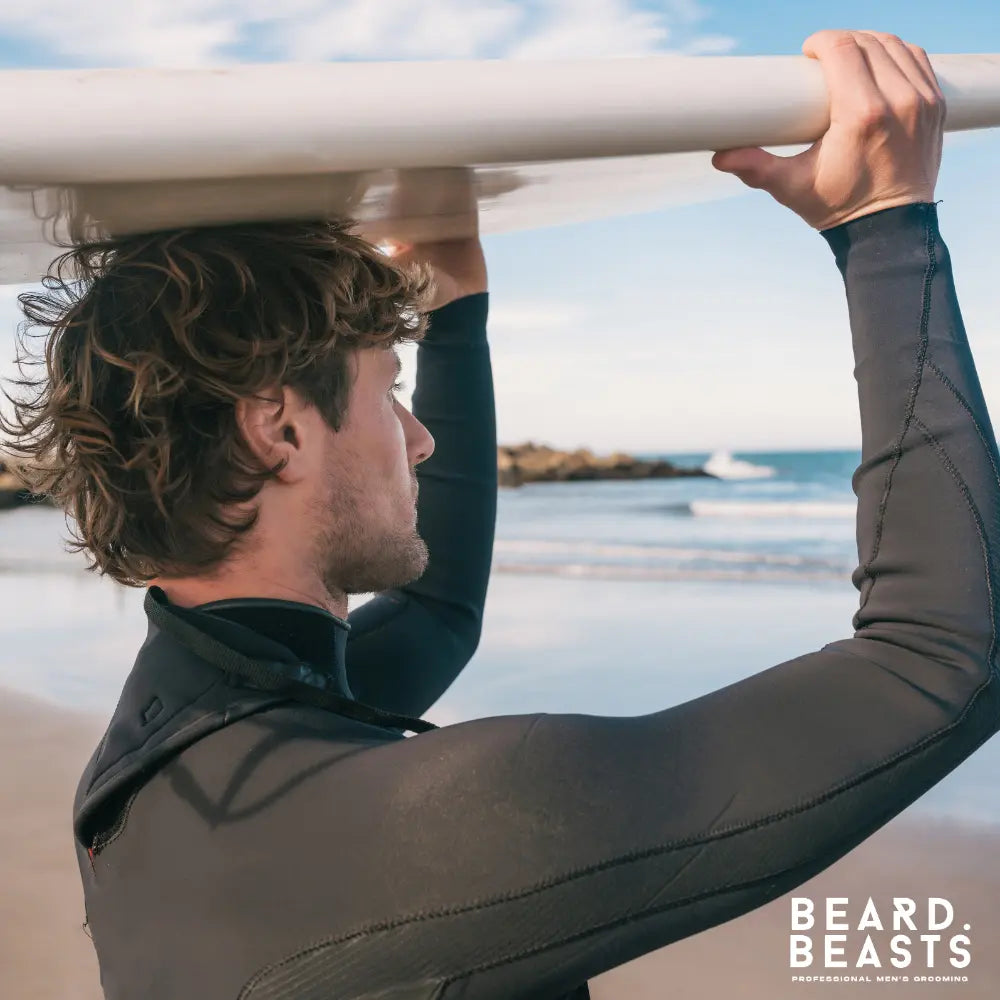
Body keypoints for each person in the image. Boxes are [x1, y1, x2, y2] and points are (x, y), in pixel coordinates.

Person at [2, 27, 997, 1000]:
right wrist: (884, 224)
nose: (419, 437)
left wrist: (456, 314)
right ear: (277, 430)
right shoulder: (422, 830)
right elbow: (941, 659)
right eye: (385, 392)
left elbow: (438, 611)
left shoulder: (177, 743)